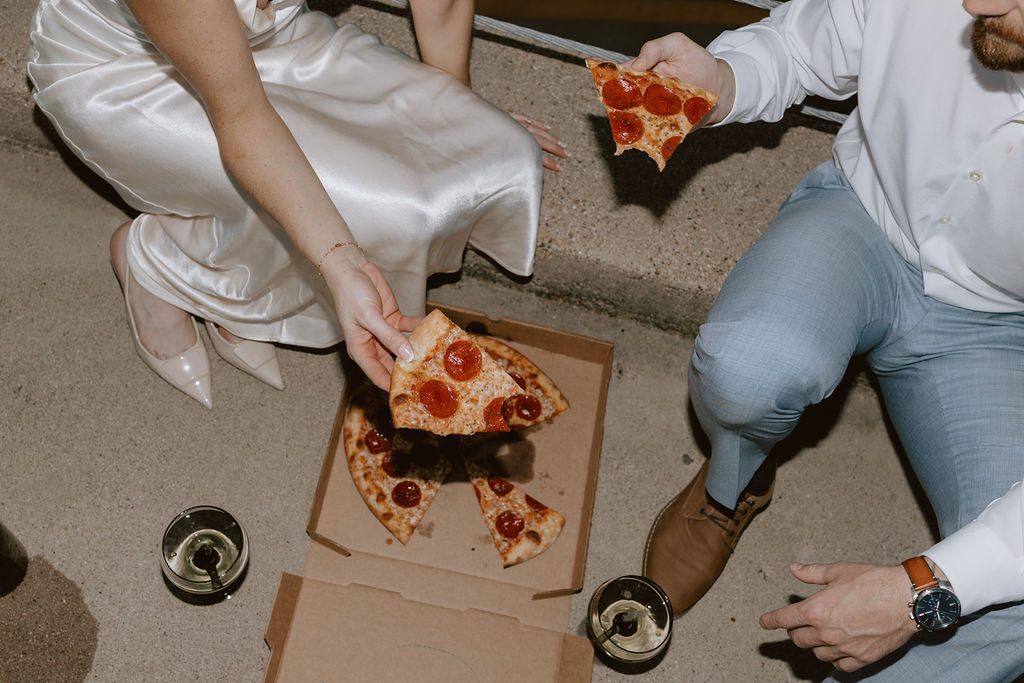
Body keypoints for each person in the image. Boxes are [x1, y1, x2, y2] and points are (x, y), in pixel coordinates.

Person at [629, 0, 1024, 679]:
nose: (976, 3)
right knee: (747, 370)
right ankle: (736, 480)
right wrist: (721, 78)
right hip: (865, 216)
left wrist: (925, 590)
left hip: (998, 326)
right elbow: (803, 47)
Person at [25, 0, 569, 407]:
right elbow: (241, 116)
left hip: (274, 41)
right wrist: (343, 260)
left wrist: (452, 107)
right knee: (393, 212)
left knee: (499, 151)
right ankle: (156, 263)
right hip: (126, 71)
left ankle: (232, 285)